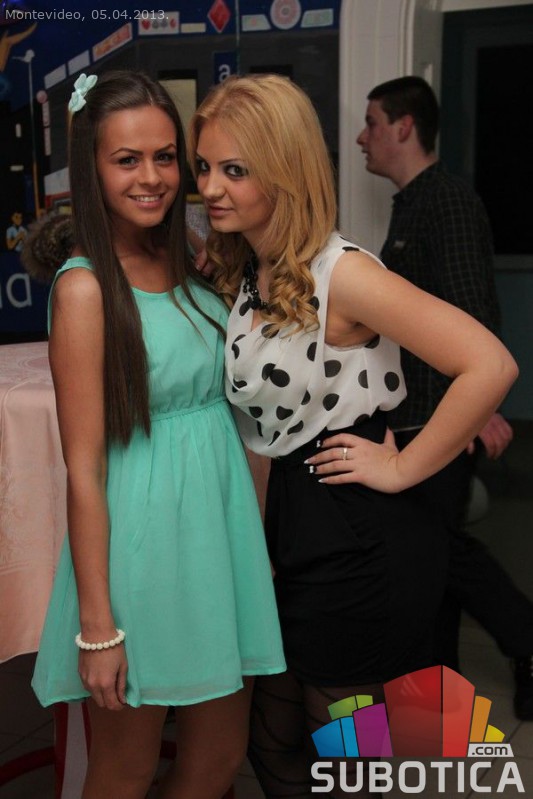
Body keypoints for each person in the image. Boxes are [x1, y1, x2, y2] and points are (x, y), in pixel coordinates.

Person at [188, 73, 518, 797]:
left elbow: (488, 364)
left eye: (234, 170)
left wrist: (403, 467)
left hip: (356, 535)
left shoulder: (344, 273)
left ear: (285, 168)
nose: (210, 187)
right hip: (297, 525)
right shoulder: (254, 267)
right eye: (204, 166)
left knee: (345, 761)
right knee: (275, 742)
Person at [31, 70, 285, 799]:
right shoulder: (85, 288)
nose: (152, 177)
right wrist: (98, 626)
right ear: (92, 168)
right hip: (141, 554)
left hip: (219, 541)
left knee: (218, 757)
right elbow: (83, 469)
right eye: (127, 159)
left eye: (166, 157)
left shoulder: (194, 262)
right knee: (126, 768)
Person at [357, 75, 533, 720]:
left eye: (373, 123)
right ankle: (437, 689)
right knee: (435, 557)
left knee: (439, 552)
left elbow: (470, 310)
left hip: (441, 415)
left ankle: (525, 642)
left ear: (404, 127)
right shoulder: (412, 203)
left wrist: (478, 410)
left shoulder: (448, 201)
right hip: (412, 414)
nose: (363, 137)